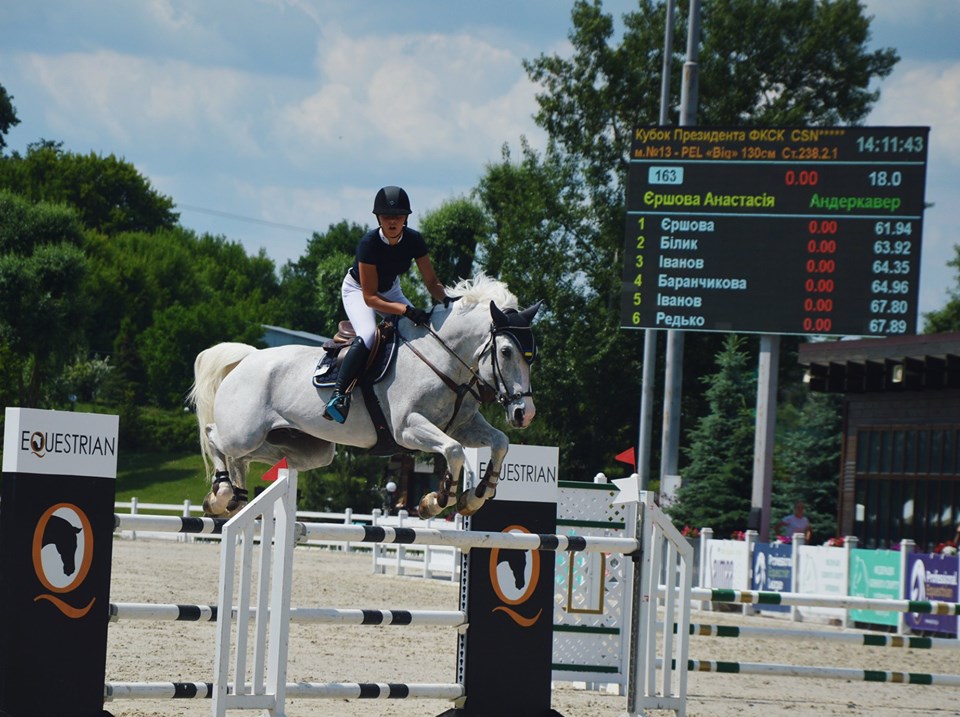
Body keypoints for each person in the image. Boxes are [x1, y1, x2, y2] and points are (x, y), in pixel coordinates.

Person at [323, 185, 447, 423]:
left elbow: (432, 283)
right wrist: (406, 310)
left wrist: (451, 301)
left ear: (406, 218)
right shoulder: (369, 243)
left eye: (398, 216)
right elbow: (370, 297)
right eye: (387, 217)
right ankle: (339, 395)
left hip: (391, 289)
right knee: (369, 334)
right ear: (378, 218)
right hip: (358, 291)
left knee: (422, 331)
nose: (392, 222)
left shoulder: (414, 240)